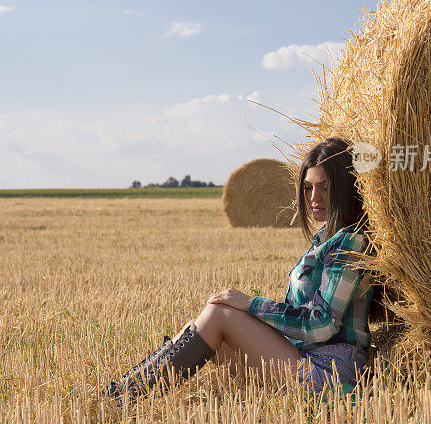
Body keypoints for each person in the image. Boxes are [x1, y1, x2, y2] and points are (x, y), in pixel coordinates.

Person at [101, 137, 377, 406]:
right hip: (302, 356)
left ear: (344, 188)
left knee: (220, 316)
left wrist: (252, 304)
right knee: (196, 329)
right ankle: (121, 391)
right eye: (307, 188)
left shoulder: (349, 241)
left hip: (329, 370)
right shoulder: (324, 238)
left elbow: (322, 323)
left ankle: (123, 399)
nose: (314, 197)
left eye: (324, 187)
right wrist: (251, 313)